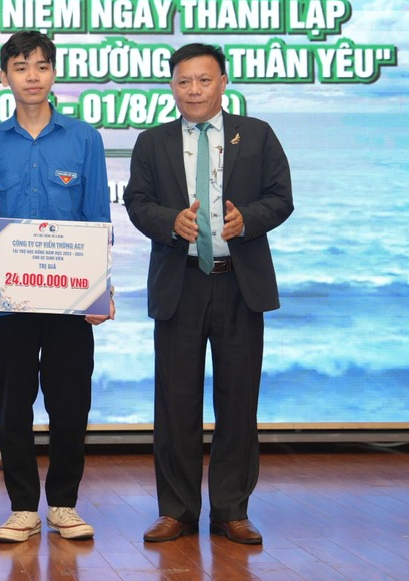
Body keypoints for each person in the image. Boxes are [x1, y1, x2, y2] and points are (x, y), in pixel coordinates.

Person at [124, 42, 293, 547]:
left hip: (239, 282)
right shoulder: (152, 142)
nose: (193, 90)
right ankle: (175, 510)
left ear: (223, 82)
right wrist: (168, 222)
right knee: (175, 402)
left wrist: (250, 220)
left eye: (203, 80)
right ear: (172, 86)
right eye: (184, 81)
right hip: (180, 281)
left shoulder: (256, 134)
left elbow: (281, 197)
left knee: (238, 399)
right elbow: (137, 201)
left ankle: (232, 510)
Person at [0, 30, 114, 544]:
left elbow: (97, 217)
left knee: (70, 403)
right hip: (11, 296)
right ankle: (21, 509)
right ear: (4, 76)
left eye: (41, 66)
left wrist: (103, 289)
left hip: (70, 297)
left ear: (54, 72)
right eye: (20, 67)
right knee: (13, 405)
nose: (31, 77)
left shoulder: (84, 139)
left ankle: (63, 504)